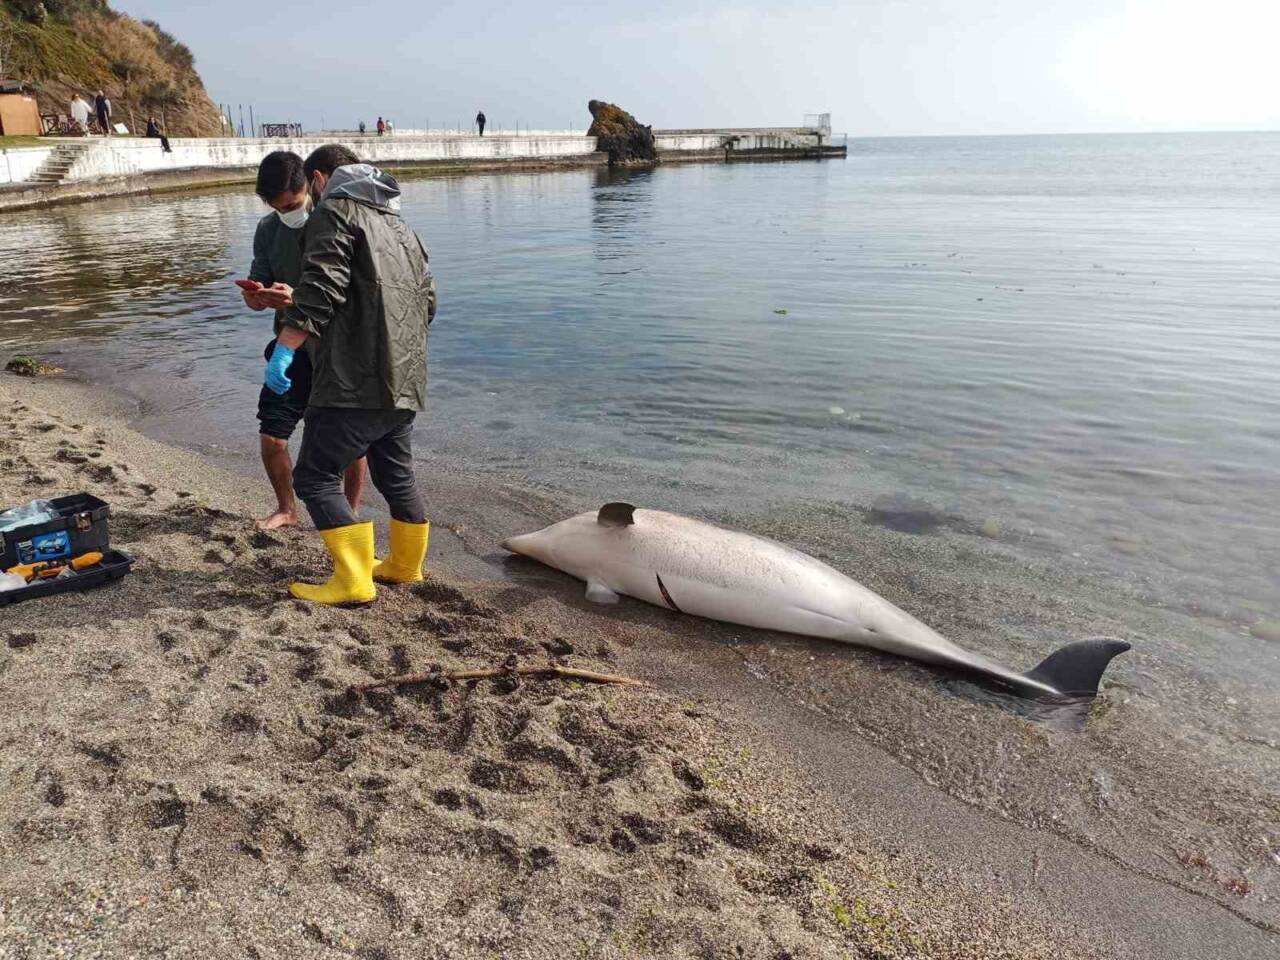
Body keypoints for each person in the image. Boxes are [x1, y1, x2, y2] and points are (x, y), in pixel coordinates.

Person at [263, 144, 436, 605]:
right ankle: (405, 566)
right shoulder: (399, 224)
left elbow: (322, 286)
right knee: (396, 475)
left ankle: (354, 579)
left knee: (315, 476)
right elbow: (428, 302)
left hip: (351, 381)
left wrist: (285, 349)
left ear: (319, 179)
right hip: (406, 378)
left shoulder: (335, 213)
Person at [245, 150, 366, 531]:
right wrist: (257, 297)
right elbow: (260, 284)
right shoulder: (268, 230)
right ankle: (287, 509)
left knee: (350, 442)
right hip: (288, 346)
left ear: (311, 185)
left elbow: (351, 294)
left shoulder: (334, 223)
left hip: (335, 349)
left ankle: (349, 513)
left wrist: (296, 297)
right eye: (278, 208)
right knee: (272, 435)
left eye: (292, 205)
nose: (287, 213)